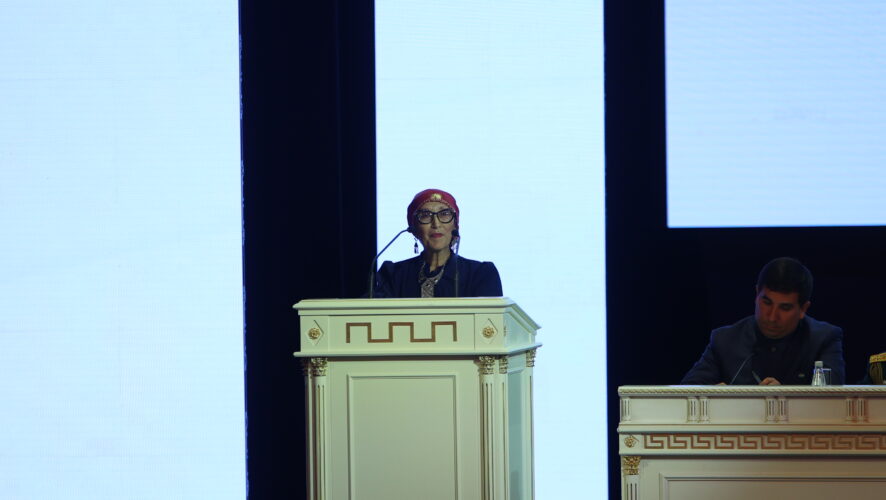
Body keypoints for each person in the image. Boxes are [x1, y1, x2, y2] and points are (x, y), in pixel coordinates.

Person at [681, 257, 845, 385]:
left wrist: (786, 399)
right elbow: (686, 393)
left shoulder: (823, 340)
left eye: (785, 308)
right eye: (766, 303)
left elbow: (832, 400)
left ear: (803, 309)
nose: (772, 317)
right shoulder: (725, 340)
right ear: (756, 294)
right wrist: (712, 396)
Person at [372, 189, 503, 298]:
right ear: (414, 229)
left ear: (455, 225)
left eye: (444, 214)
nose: (436, 224)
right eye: (425, 215)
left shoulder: (481, 274)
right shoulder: (393, 274)